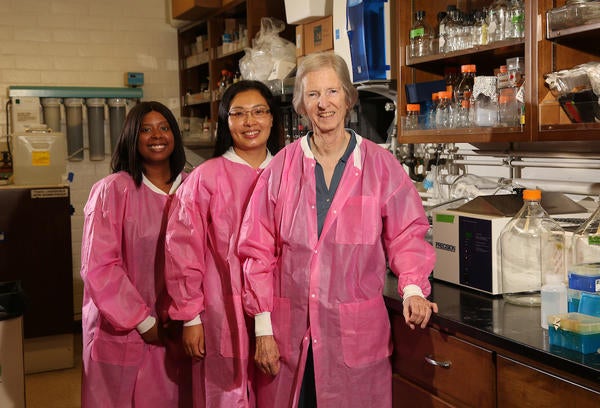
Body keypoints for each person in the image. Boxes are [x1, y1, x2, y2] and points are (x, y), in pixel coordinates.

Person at [237, 52, 438, 408]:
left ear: (348, 97)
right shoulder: (281, 168)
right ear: (301, 104)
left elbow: (407, 233)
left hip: (355, 337)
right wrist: (264, 328)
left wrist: (412, 289)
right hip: (292, 335)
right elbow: (256, 250)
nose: (324, 103)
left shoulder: (380, 166)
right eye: (313, 94)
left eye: (332, 91)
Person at [164, 80, 285, 407]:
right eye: (239, 114)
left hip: (283, 310)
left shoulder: (289, 172)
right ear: (225, 122)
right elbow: (182, 252)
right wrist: (191, 317)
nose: (250, 122)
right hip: (223, 312)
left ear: (273, 118)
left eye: (259, 112)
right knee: (226, 395)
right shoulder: (206, 177)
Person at [80, 101, 191, 407]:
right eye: (146, 129)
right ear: (131, 136)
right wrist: (143, 322)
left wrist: (190, 317)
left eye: (164, 127)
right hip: (126, 333)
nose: (156, 136)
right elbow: (100, 267)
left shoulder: (193, 187)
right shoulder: (113, 191)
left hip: (181, 331)